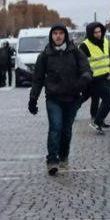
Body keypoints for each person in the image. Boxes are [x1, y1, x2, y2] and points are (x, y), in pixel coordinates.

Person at [27, 23, 92, 176]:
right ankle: (52, 160)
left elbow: (87, 70)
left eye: (61, 33)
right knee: (55, 127)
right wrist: (33, 99)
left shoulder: (75, 52)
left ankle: (63, 155)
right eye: (55, 33)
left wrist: (82, 82)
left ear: (65, 35)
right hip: (53, 98)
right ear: (51, 36)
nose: (58, 36)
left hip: (72, 97)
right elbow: (38, 79)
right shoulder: (45, 55)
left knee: (66, 130)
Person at [79, 22, 110, 133]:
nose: (98, 34)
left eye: (99, 31)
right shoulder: (84, 45)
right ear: (90, 33)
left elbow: (108, 55)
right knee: (109, 100)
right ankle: (97, 122)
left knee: (103, 99)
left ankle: (99, 120)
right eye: (95, 32)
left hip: (105, 76)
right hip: (94, 78)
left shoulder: (105, 41)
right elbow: (80, 63)